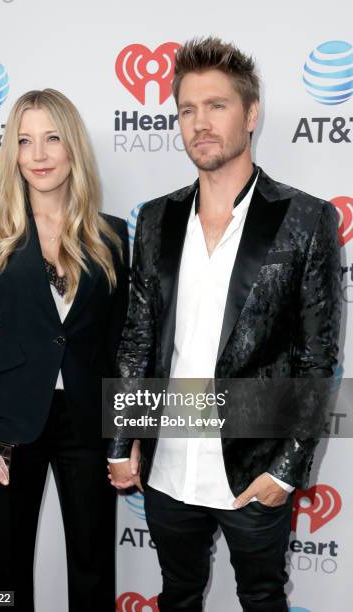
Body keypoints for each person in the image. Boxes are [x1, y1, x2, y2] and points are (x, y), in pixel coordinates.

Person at [108, 37, 341, 611]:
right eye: (187, 109)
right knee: (178, 596)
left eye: (216, 106)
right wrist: (120, 441)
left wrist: (287, 469)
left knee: (262, 598)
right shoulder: (158, 218)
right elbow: (139, 337)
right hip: (167, 468)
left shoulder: (306, 219)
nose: (199, 124)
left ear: (251, 113)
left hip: (254, 467)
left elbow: (320, 359)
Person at [0, 88, 129, 611]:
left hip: (87, 423)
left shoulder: (113, 235)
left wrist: (126, 440)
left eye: (52, 137)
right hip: (9, 424)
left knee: (94, 572)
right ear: (13, 151)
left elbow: (123, 350)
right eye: (25, 140)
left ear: (72, 146)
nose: (39, 154)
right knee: (4, 578)